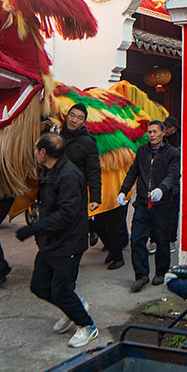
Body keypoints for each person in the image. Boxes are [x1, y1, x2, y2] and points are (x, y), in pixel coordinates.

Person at [15, 132, 98, 348]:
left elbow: (66, 214)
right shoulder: (48, 170)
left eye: (36, 149)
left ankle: (87, 326)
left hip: (68, 242)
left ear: (43, 153)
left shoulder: (69, 175)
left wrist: (33, 229)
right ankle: (74, 309)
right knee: (39, 286)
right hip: (50, 241)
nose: (34, 152)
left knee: (61, 290)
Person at [118, 120, 180, 292]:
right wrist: (123, 191)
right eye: (149, 132)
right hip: (142, 203)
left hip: (163, 204)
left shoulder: (173, 153)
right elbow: (133, 171)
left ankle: (160, 272)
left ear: (163, 132)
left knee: (162, 240)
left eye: (155, 132)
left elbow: (173, 174)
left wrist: (162, 189)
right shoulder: (142, 151)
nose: (152, 135)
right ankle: (141, 275)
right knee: (137, 238)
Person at [60, 104, 112, 262]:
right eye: (72, 115)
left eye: (79, 118)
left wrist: (95, 198)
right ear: (67, 116)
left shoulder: (88, 143)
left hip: (76, 195)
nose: (74, 120)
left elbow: (94, 171)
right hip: (55, 194)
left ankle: (70, 262)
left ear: (83, 122)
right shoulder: (56, 138)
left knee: (75, 233)